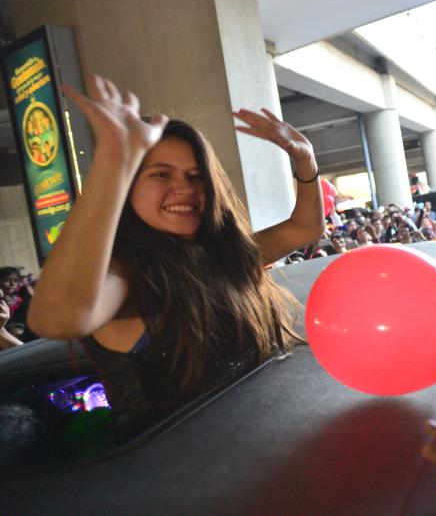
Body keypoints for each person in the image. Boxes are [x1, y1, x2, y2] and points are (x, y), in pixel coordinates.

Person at [27, 75, 324, 442]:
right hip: (175, 487)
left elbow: (304, 229)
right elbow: (56, 319)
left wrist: (305, 160)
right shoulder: (125, 276)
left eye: (196, 176)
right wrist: (114, 157)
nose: (184, 187)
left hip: (258, 453)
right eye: (161, 174)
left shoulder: (223, 257)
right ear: (128, 186)